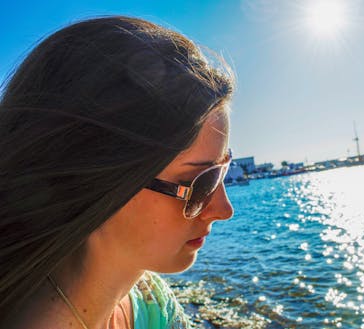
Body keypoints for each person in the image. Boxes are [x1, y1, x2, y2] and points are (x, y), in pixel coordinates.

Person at [0, 15, 235, 329]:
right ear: (93, 180)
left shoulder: (148, 297)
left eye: (223, 170)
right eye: (202, 183)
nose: (224, 210)